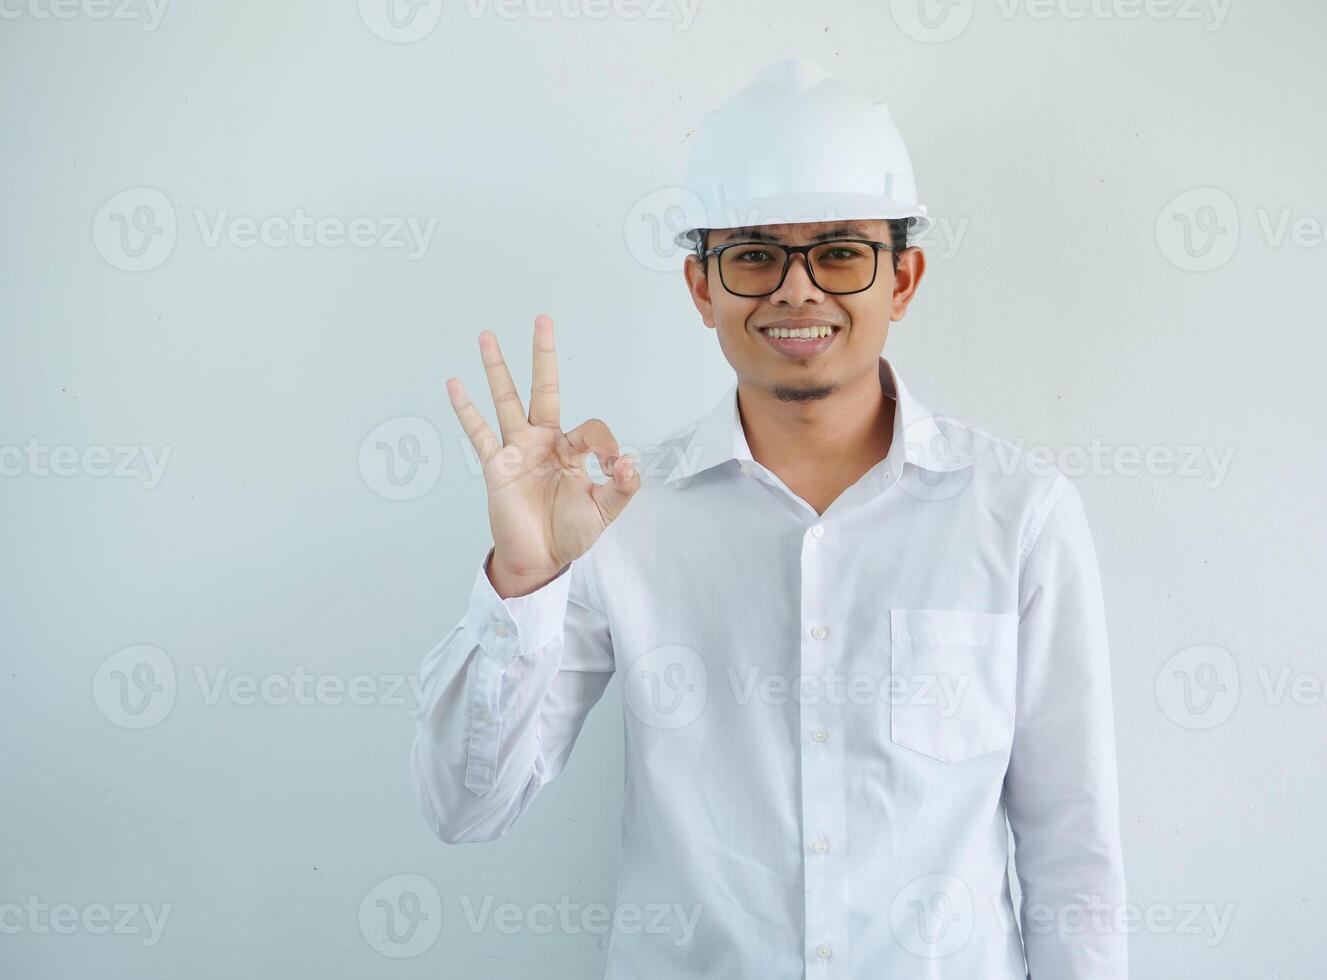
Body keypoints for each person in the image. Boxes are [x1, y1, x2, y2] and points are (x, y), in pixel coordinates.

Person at [410, 59, 1127, 979]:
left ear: (901, 279)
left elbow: (1075, 860)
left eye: (839, 251)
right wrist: (525, 578)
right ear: (701, 287)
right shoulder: (615, 512)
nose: (796, 290)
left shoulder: (1019, 514)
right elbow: (467, 809)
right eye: (753, 254)